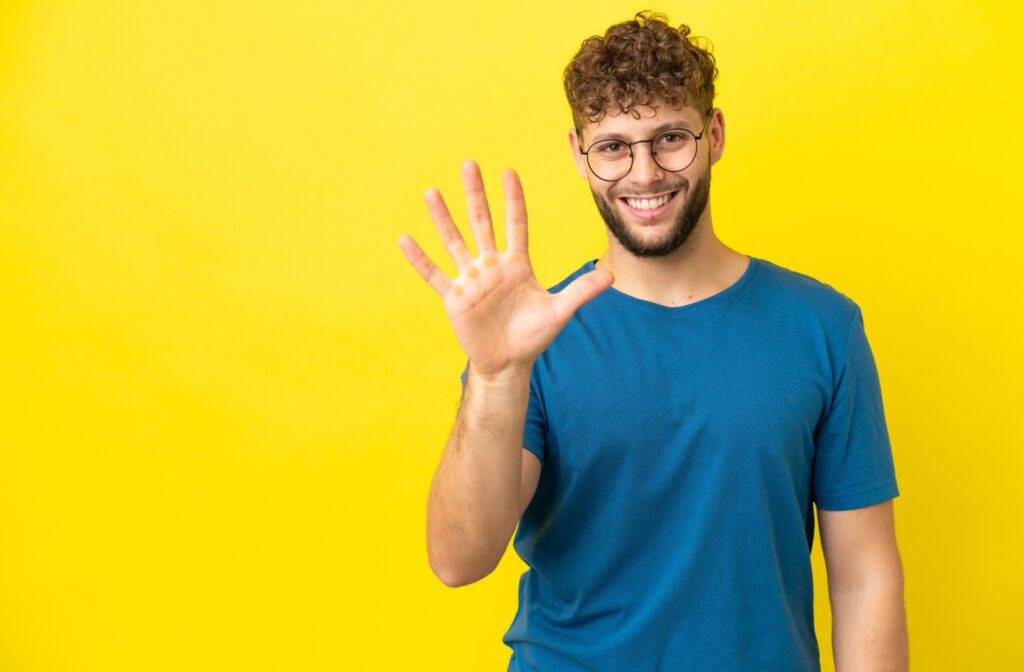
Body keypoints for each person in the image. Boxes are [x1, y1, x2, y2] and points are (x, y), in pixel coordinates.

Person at [398, 11, 907, 672]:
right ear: (579, 155)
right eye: (613, 146)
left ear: (714, 134)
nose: (643, 174)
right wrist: (496, 376)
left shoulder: (823, 326)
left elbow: (866, 577)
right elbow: (459, 559)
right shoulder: (531, 338)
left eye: (670, 138)